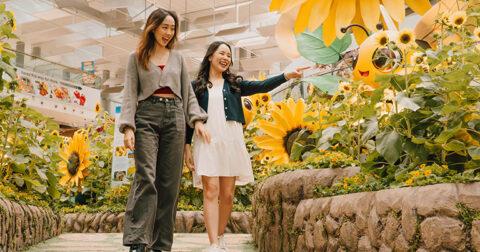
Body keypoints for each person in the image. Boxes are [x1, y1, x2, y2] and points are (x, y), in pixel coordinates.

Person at [184, 41, 308, 252]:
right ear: (210, 56)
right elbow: (189, 114)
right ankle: (213, 244)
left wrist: (287, 75)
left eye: (229, 55)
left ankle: (221, 236)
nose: (226, 58)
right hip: (207, 142)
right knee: (211, 191)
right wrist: (187, 145)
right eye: (222, 53)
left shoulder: (235, 85)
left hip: (231, 140)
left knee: (228, 194)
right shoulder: (196, 86)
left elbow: (262, 86)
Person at [118, 8, 210, 252]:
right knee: (146, 176)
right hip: (146, 116)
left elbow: (188, 94)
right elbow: (129, 94)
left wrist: (197, 120)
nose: (169, 33)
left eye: (172, 28)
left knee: (169, 183)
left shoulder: (178, 58)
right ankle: (139, 241)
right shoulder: (135, 57)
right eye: (164, 27)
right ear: (152, 27)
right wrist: (128, 127)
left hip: (175, 117)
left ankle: (161, 245)